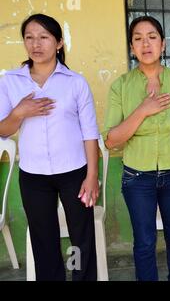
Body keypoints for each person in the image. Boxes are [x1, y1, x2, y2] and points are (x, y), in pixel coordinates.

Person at [0, 14, 99, 281]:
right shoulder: (11, 81)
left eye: (44, 37)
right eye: (29, 37)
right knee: (44, 240)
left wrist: (91, 177)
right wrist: (19, 112)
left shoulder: (75, 82)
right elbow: (3, 129)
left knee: (80, 238)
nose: (36, 44)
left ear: (58, 43)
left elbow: (90, 133)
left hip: (74, 173)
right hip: (33, 175)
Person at [103, 16, 170, 281]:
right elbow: (111, 140)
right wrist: (142, 111)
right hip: (137, 178)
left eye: (152, 37)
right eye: (138, 38)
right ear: (132, 47)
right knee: (144, 241)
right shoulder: (120, 87)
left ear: (163, 44)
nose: (145, 43)